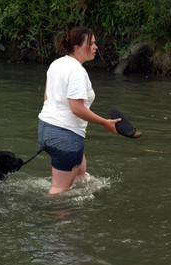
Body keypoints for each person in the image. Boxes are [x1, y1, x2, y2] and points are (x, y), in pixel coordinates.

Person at [38, 27, 121, 194]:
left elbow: (47, 97)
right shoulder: (77, 72)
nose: (95, 47)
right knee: (60, 189)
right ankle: (53, 216)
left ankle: (74, 211)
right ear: (77, 47)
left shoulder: (57, 64)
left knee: (81, 174)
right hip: (65, 135)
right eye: (91, 44)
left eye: (95, 43)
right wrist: (105, 122)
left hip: (45, 130)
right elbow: (76, 108)